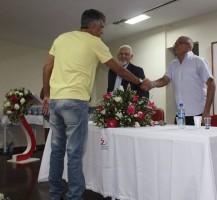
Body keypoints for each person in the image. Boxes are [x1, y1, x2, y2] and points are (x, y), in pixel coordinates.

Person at [42, 9, 148, 200]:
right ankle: (75, 197)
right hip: (75, 101)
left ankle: (55, 194)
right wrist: (140, 82)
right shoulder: (95, 42)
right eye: (101, 27)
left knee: (57, 151)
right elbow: (119, 71)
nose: (102, 32)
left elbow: (47, 67)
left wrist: (47, 95)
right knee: (74, 153)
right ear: (92, 26)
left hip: (56, 101)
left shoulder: (61, 38)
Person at [141, 36, 216, 125]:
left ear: (189, 47)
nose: (176, 45)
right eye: (175, 43)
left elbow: (211, 84)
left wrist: (207, 111)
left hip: (198, 114)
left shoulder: (198, 61)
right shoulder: (173, 64)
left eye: (180, 43)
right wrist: (152, 83)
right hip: (180, 114)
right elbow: (165, 80)